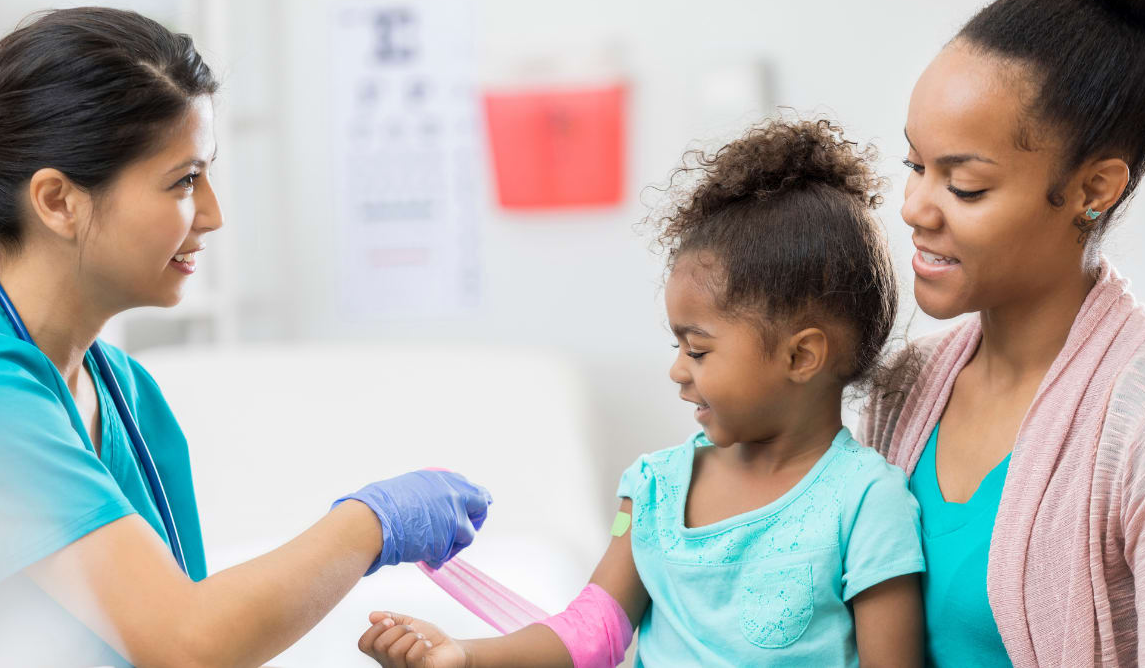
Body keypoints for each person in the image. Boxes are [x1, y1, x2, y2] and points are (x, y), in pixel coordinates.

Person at [0, 8, 491, 668]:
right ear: (58, 201)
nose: (212, 213)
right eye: (183, 180)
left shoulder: (128, 392)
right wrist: (374, 521)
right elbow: (189, 641)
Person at [358, 118, 925, 667]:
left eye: (698, 350)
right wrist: (463, 657)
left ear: (800, 356)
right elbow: (593, 633)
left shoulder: (868, 504)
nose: (677, 371)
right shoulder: (654, 490)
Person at [861, 0, 1145, 665]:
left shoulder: (1142, 427)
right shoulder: (898, 392)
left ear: (1095, 188)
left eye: (963, 185)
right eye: (915, 166)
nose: (914, 208)